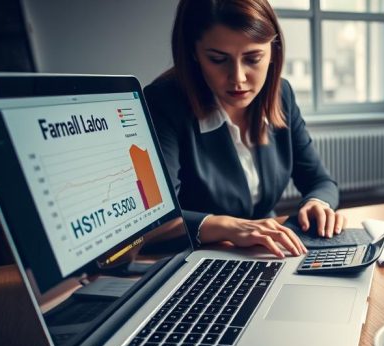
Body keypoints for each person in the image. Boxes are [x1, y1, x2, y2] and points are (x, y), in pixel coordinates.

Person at [144, 0, 345, 258]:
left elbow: (320, 181)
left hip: (267, 254)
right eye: (217, 59)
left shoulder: (281, 94)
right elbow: (155, 221)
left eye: (253, 58)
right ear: (194, 52)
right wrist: (227, 227)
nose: (238, 77)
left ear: (273, 50)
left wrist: (318, 203)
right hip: (196, 258)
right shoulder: (163, 102)